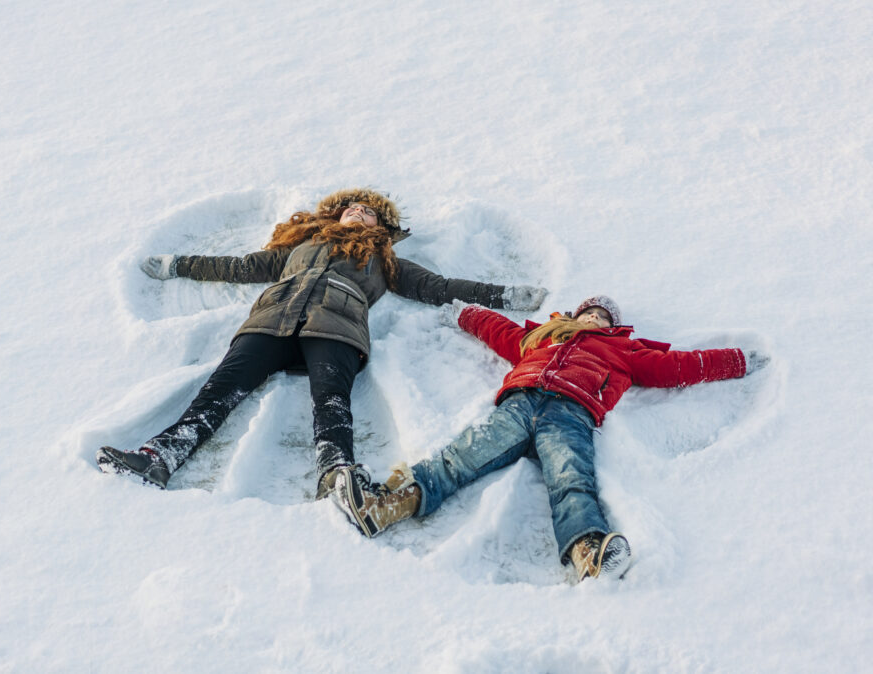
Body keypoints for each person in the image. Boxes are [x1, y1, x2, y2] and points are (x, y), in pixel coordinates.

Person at [96, 188, 548, 496]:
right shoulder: (299, 246)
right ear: (336, 213)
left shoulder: (383, 258)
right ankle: (161, 455)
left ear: (381, 226)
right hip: (272, 318)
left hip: (338, 325)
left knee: (331, 398)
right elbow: (237, 267)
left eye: (369, 211)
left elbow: (441, 286)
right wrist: (178, 265)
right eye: (351, 207)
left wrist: (503, 295)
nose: (358, 212)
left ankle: (336, 472)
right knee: (221, 387)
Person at [331, 295, 769, 582]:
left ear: (614, 327)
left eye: (603, 317)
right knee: (460, 456)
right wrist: (463, 312)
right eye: (590, 312)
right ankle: (385, 505)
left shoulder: (627, 352)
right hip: (518, 404)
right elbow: (498, 330)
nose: (595, 318)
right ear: (576, 315)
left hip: (571, 414)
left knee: (571, 478)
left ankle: (587, 552)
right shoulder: (542, 337)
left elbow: (680, 367)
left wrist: (735, 360)